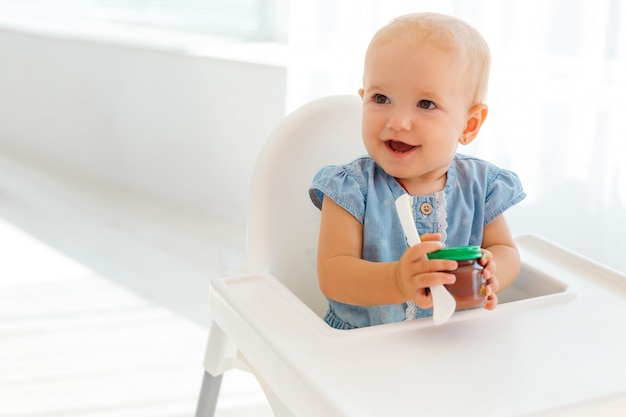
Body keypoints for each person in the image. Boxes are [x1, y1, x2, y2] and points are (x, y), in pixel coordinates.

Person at [309, 12, 526, 329]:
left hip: (454, 341)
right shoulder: (350, 188)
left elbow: (505, 250)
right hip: (362, 350)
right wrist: (397, 279)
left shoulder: (481, 186)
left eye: (425, 104)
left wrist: (492, 274)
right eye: (381, 98)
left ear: (469, 124)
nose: (397, 121)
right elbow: (334, 275)